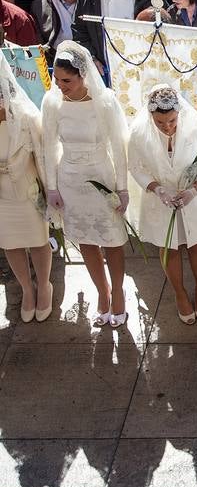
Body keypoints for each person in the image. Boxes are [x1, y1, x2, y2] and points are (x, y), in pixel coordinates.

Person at [40, 41, 130, 328]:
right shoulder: (52, 102)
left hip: (100, 177)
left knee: (112, 241)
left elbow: (119, 146)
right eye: (57, 80)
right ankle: (101, 294)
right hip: (69, 179)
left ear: (82, 76)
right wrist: (52, 187)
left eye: (67, 80)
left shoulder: (104, 102)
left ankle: (118, 294)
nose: (61, 85)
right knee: (86, 241)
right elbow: (48, 146)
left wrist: (123, 187)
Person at [127, 83, 197, 324]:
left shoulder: (195, 126)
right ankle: (179, 293)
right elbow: (136, 167)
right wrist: (156, 189)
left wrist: (194, 189)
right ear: (151, 117)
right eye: (160, 123)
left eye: (171, 121)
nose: (167, 127)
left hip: (193, 196)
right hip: (162, 199)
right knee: (168, 245)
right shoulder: (139, 131)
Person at [0, 53, 52, 322]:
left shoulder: (26, 117)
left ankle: (44, 286)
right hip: (1, 197)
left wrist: (50, 192)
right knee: (11, 243)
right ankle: (26, 290)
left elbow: (43, 157)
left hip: (29, 191)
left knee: (38, 240)